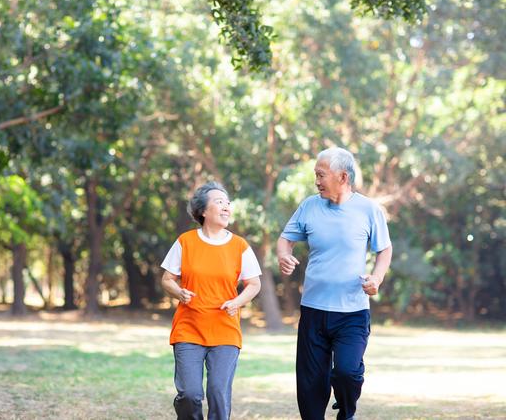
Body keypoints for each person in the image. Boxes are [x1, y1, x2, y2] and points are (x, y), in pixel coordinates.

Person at [276, 147, 392, 420]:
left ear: (342, 176)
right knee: (310, 385)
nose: (316, 181)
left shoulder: (368, 209)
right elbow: (286, 239)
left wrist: (376, 278)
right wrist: (284, 255)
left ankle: (347, 412)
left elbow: (384, 250)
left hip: (352, 312)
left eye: (320, 174)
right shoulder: (309, 206)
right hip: (314, 311)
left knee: (347, 373)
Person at [161, 181, 262, 420]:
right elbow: (167, 279)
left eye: (228, 203)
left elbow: (254, 284)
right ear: (203, 211)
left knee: (218, 392)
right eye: (219, 202)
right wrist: (179, 292)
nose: (226, 207)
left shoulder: (240, 246)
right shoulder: (185, 241)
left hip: (225, 330)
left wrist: (237, 302)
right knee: (189, 394)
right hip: (189, 328)